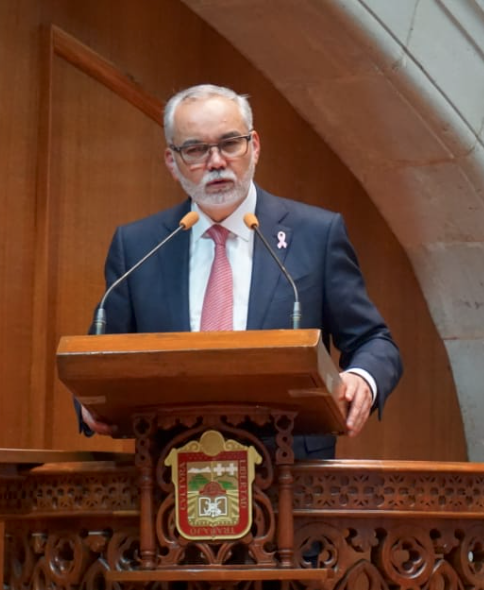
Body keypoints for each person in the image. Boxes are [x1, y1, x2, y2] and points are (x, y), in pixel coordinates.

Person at [78, 84, 402, 460]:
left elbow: (374, 341)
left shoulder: (315, 235)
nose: (216, 161)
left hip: (291, 475)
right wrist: (90, 401)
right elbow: (98, 360)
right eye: (196, 150)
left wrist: (361, 378)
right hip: (170, 476)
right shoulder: (139, 246)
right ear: (172, 161)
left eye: (230, 143)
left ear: (255, 146)